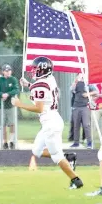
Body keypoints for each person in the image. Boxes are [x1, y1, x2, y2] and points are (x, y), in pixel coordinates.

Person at [14, 56, 83, 189]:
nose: (33, 71)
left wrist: (20, 104)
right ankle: (68, 157)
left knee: (57, 157)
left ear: (42, 70)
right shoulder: (49, 79)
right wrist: (28, 85)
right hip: (52, 120)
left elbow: (38, 107)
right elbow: (41, 91)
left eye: (35, 69)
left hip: (50, 122)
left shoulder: (40, 85)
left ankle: (76, 180)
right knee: (37, 150)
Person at [0, 64, 19, 150]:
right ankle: (5, 142)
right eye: (6, 70)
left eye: (9, 70)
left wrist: (8, 94)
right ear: (3, 72)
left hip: (10, 106)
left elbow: (16, 89)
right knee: (2, 125)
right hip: (0, 106)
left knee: (12, 124)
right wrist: (2, 95)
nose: (8, 72)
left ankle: (11, 141)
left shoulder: (13, 79)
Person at [70, 73, 94, 149]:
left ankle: (89, 142)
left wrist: (88, 94)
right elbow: (72, 89)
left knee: (86, 125)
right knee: (76, 125)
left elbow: (96, 92)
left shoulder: (88, 84)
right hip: (76, 106)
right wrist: (76, 81)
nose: (81, 77)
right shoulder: (76, 83)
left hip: (85, 107)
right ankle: (76, 142)